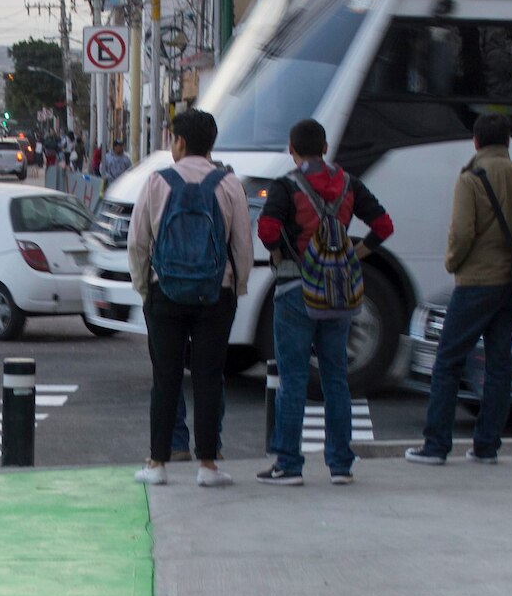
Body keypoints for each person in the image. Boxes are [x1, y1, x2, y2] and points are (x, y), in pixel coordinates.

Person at [405, 114, 512, 466]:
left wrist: (453, 262)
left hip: (475, 282)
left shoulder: (471, 179)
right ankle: (487, 446)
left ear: (476, 141)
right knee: (499, 364)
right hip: (511, 287)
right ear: (507, 142)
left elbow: (462, 232)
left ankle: (435, 445)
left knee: (448, 361)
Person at [256, 118, 394, 485]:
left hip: (295, 289)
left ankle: (288, 464)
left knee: (293, 379)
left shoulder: (287, 185)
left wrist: (278, 253)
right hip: (338, 294)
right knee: (336, 378)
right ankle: (340, 465)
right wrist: (353, 254)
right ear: (325, 147)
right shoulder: (349, 184)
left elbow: (267, 229)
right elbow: (384, 226)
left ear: (292, 149)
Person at [128, 108, 252, 487]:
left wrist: (144, 286)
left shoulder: (157, 181)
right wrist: (237, 287)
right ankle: (208, 466)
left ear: (178, 142)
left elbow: (138, 242)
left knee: (165, 378)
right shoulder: (229, 184)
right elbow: (242, 245)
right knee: (209, 377)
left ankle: (157, 463)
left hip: (164, 292)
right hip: (216, 293)